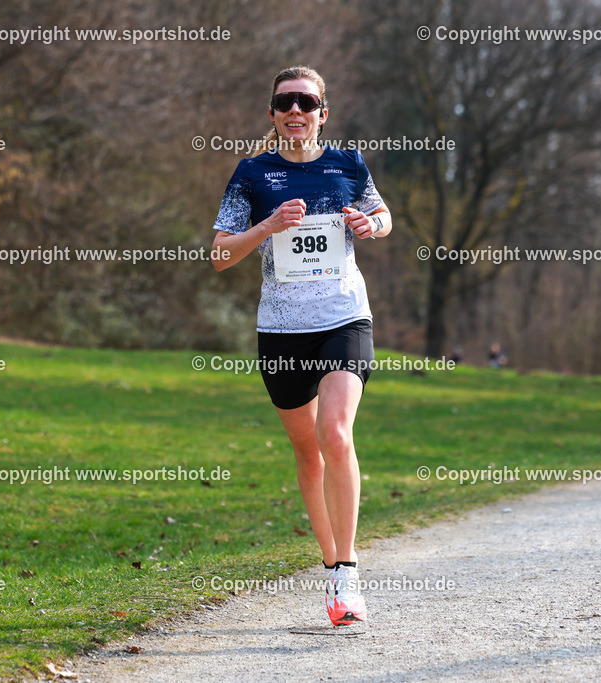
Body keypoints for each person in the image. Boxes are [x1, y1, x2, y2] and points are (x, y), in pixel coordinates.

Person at [211, 66, 391, 626]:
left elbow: (383, 216)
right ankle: (329, 562)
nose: (295, 111)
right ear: (272, 114)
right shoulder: (252, 173)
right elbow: (220, 254)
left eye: (306, 102)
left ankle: (347, 575)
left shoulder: (348, 164)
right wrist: (266, 227)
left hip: (343, 318)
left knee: (335, 432)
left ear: (322, 112)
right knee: (308, 451)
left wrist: (371, 225)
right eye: (284, 102)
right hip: (284, 330)